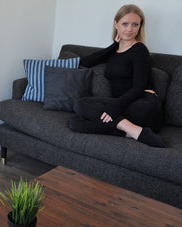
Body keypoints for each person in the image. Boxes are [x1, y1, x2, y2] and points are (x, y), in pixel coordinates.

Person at [69, 4, 165, 148]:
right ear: (116, 24)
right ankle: (134, 132)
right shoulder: (113, 52)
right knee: (77, 120)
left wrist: (115, 106)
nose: (130, 29)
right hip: (122, 106)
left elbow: (139, 87)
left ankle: (132, 129)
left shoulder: (139, 49)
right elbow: (85, 62)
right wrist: (114, 45)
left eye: (135, 24)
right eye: (125, 24)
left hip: (143, 104)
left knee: (83, 107)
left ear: (140, 26)